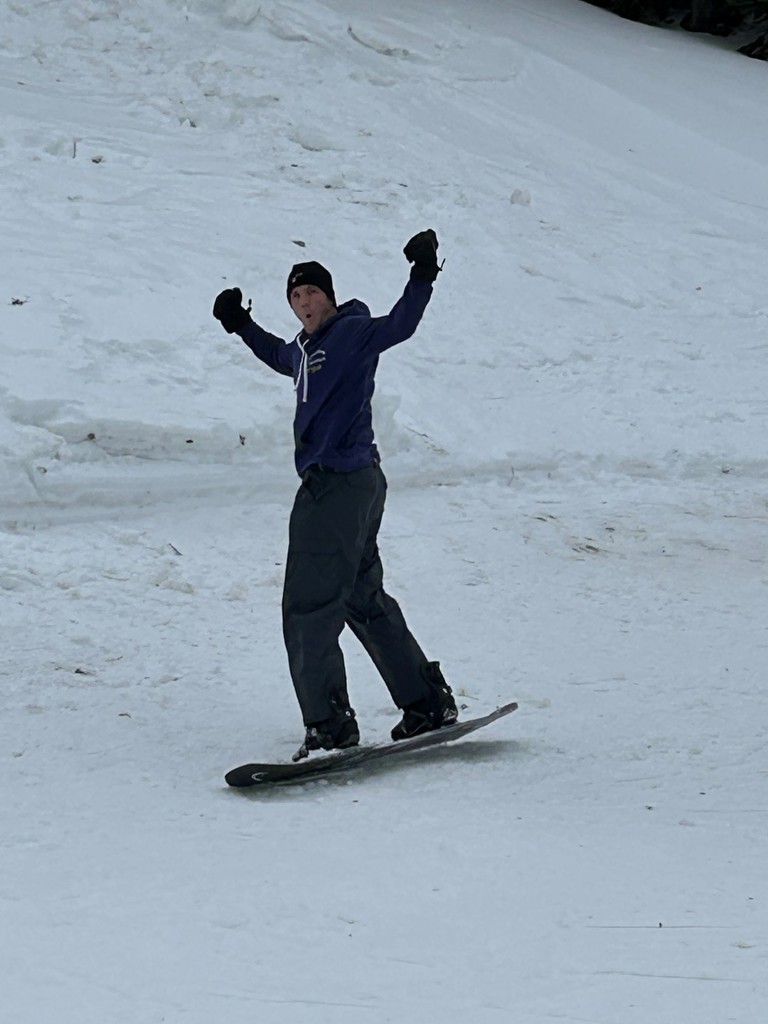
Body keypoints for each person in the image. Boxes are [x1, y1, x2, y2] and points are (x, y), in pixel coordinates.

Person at [212, 229, 457, 759]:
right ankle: (425, 703)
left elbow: (401, 324)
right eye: (296, 296)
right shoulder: (303, 351)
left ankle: (329, 725)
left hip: (336, 484)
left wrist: (422, 272)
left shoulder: (352, 333)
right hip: (359, 482)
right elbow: (276, 353)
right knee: (362, 599)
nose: (304, 303)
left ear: (329, 295)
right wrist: (240, 324)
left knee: (309, 604)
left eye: (312, 293)